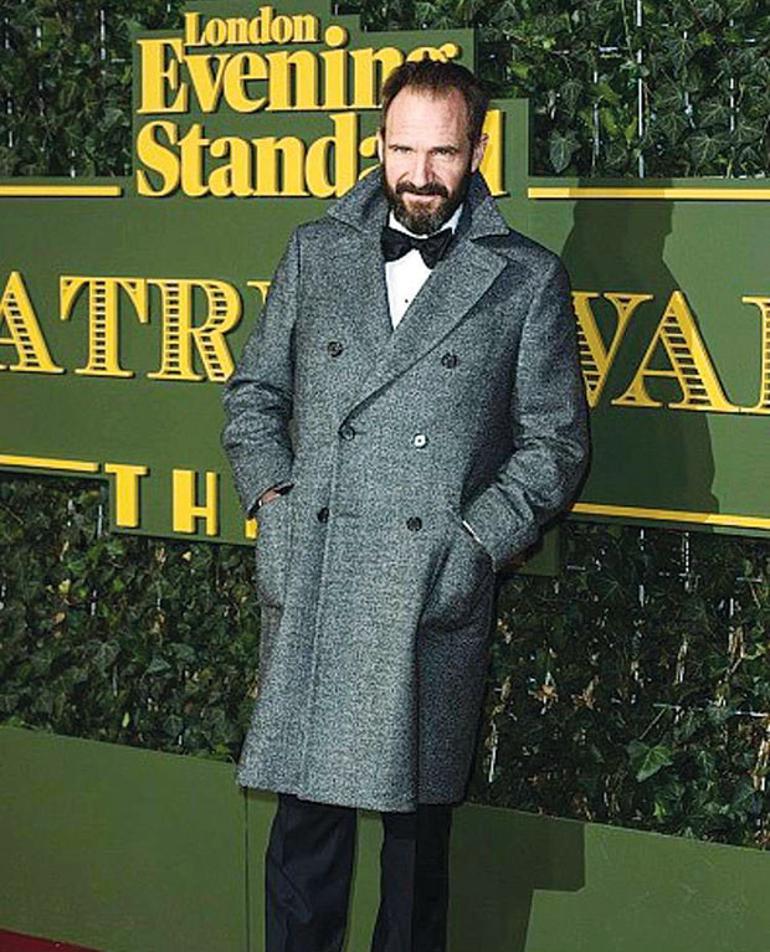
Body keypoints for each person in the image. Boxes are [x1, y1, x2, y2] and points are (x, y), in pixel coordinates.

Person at [220, 57, 589, 952]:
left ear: (478, 151)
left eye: (443, 152)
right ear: (378, 144)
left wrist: (473, 542)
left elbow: (555, 445)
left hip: (427, 591)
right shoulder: (316, 251)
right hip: (320, 574)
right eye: (403, 149)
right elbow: (254, 395)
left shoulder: (523, 277)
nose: (420, 174)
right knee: (303, 842)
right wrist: (274, 497)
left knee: (417, 854)